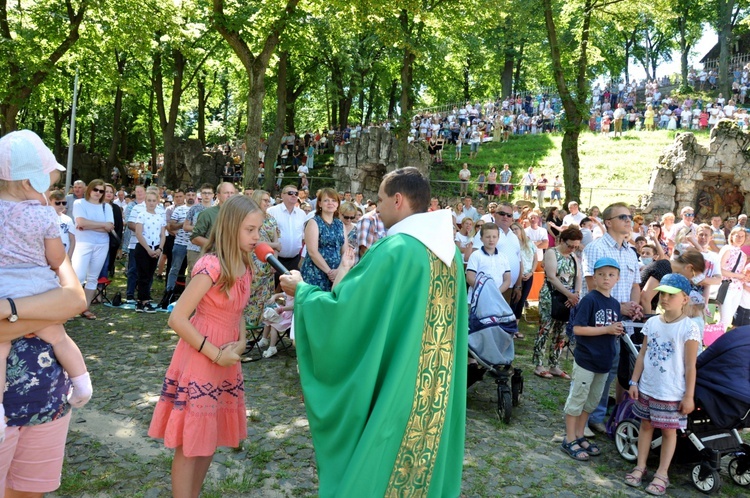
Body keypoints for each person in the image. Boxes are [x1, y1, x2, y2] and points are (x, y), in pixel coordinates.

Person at [280, 167, 466, 496]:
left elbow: (347, 310)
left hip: (399, 382)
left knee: (385, 460)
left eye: (379, 200)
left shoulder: (396, 250)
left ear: (398, 200)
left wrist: (304, 292)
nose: (376, 208)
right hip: (435, 383)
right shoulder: (451, 257)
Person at [148, 195, 263, 497]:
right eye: (250, 230)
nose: (256, 237)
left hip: (226, 360)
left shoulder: (246, 264)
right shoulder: (211, 265)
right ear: (230, 228)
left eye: (258, 231)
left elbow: (239, 310)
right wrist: (215, 353)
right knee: (191, 441)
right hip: (202, 357)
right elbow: (178, 318)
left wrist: (238, 344)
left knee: (209, 437)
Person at [0, 129, 93, 433]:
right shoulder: (43, 216)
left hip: (4, 289)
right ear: (29, 183)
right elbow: (56, 257)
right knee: (59, 337)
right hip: (39, 288)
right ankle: (82, 384)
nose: (48, 196)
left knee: (0, 348)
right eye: (48, 187)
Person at [0, 256, 87, 497]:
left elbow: (74, 301)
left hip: (46, 401)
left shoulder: (39, 237)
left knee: (30, 491)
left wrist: (9, 310)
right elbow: (61, 310)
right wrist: (47, 317)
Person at [625, 273, 700, 496]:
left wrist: (689, 396)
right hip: (648, 386)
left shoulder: (689, 328)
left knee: (668, 432)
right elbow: (642, 355)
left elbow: (690, 366)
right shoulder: (652, 323)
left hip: (671, 392)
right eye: (662, 294)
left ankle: (662, 473)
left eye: (671, 295)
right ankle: (640, 466)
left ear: (684, 299)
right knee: (646, 426)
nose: (664, 298)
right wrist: (634, 381)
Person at [582, 202, 643, 434]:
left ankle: (596, 416)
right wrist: (621, 307)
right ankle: (583, 419)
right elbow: (591, 288)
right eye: (623, 217)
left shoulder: (630, 251)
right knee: (593, 371)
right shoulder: (596, 248)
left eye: (630, 216)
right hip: (598, 320)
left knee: (611, 370)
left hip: (622, 322)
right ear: (608, 222)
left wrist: (634, 305)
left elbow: (635, 284)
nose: (629, 220)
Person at [562, 257, 624, 461]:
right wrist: (606, 329)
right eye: (602, 274)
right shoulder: (590, 300)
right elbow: (578, 329)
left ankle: (580, 434)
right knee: (578, 398)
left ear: (617, 278)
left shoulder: (615, 304)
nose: (606, 278)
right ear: (594, 277)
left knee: (592, 401)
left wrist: (614, 331)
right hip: (586, 360)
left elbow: (611, 329)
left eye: (611, 275)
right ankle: (569, 437)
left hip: (604, 361)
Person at [533, 226, 582, 379]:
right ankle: (539, 364)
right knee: (545, 328)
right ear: (562, 240)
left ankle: (554, 364)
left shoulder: (574, 256)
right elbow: (552, 277)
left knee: (561, 331)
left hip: (568, 298)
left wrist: (576, 294)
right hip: (552, 295)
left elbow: (578, 276)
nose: (572, 249)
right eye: (570, 245)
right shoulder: (551, 253)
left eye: (575, 246)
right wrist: (569, 294)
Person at [72, 179, 115, 320]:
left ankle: (85, 307)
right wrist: (101, 225)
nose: (98, 193)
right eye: (95, 189)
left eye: (101, 191)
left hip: (102, 243)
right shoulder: (79, 203)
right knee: (78, 277)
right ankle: (70, 307)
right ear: (89, 189)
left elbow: (110, 226)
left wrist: (89, 225)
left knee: (93, 278)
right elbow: (81, 222)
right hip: (83, 242)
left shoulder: (106, 207)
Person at [243, 189, 280, 328]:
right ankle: (246, 328)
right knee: (250, 296)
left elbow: (277, 244)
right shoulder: (248, 218)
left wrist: (274, 263)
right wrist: (274, 244)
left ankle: (261, 328)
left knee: (265, 297)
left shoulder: (271, 219)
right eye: (264, 200)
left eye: (268, 200)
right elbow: (254, 242)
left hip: (268, 263)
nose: (268, 203)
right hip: (252, 261)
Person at [300, 188, 345, 292]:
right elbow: (312, 252)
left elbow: (344, 250)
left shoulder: (340, 224)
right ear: (319, 204)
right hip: (316, 273)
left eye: (334, 200)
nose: (330, 203)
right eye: (326, 200)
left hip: (336, 275)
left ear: (338, 203)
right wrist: (329, 272)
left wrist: (339, 271)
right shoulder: (313, 222)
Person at [267, 185, 307, 288]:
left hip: (295, 259)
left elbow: (304, 237)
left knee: (291, 291)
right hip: (275, 258)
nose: (294, 196)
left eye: (296, 193)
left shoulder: (302, 214)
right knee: (273, 288)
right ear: (282, 195)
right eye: (290, 193)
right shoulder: (272, 211)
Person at [134, 190, 167, 313]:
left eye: (154, 201)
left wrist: (159, 249)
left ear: (157, 202)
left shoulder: (160, 216)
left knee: (149, 275)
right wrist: (148, 249)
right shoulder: (141, 215)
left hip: (156, 248)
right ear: (145, 201)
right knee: (142, 275)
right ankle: (144, 301)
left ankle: (142, 300)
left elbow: (163, 234)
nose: (151, 203)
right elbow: (138, 233)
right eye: (149, 200)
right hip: (143, 248)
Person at [718, 227, 748, 328]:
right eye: (737, 235)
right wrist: (738, 275)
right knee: (725, 319)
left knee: (729, 317)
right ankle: (716, 339)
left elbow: (740, 272)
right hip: (727, 286)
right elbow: (720, 270)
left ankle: (719, 338)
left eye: (742, 236)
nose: (740, 238)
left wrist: (743, 277)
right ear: (732, 236)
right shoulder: (727, 249)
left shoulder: (743, 255)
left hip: (738, 288)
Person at [511, 222, 538, 321]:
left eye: (516, 229)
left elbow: (535, 259)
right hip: (517, 275)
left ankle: (516, 326)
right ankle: (511, 326)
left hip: (529, 274)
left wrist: (531, 272)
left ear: (521, 229)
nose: (514, 231)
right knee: (515, 300)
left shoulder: (529, 242)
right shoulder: (512, 243)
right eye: (512, 229)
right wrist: (520, 274)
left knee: (522, 300)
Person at [50, 190, 76, 259]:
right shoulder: (45, 218)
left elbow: (72, 240)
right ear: (50, 202)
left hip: (64, 256)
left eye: (64, 203)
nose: (61, 205)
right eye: (57, 203)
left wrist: (69, 257)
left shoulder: (68, 219)